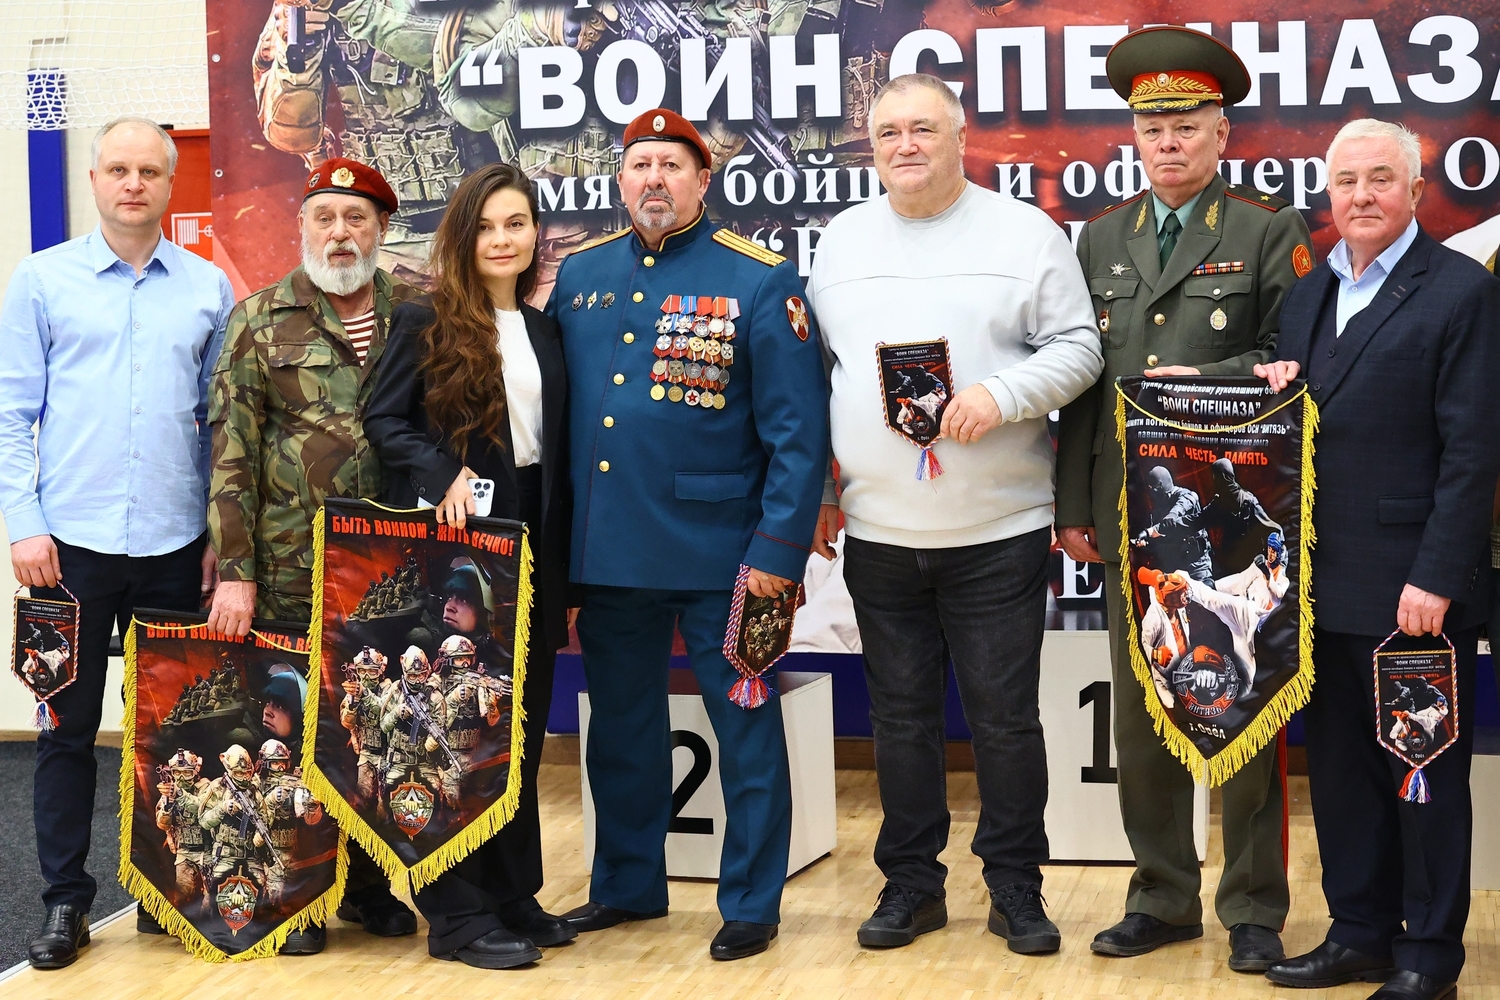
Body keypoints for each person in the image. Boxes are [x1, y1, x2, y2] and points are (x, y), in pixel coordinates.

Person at [803, 73, 1101, 954]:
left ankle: (1015, 887)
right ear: (871, 145)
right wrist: (826, 491)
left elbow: (1081, 348)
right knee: (899, 722)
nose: (905, 145)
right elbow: (822, 378)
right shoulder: (841, 242)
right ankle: (911, 885)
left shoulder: (1025, 233)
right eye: (888, 131)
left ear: (961, 138)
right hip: (879, 534)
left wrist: (1003, 395)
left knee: (1005, 723)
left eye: (923, 129)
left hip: (998, 532)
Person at [1053, 25, 1316, 971]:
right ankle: (1161, 896)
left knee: (1242, 693)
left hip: (1234, 508)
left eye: (1186, 126)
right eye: (1151, 127)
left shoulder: (1265, 230)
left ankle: (1252, 906)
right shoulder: (1101, 237)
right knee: (1143, 705)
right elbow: (1084, 383)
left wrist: (1195, 380)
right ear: (1134, 135)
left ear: (1221, 133)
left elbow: (1295, 358)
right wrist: (1073, 505)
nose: (1167, 143)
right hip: (1130, 508)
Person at [545, 108, 828, 962]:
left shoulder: (759, 279)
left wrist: (777, 555)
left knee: (745, 733)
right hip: (609, 556)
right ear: (619, 181)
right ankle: (626, 885)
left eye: (672, 165)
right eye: (640, 166)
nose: (654, 180)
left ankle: (751, 901)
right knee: (620, 732)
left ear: (705, 180)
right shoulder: (581, 276)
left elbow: (797, 436)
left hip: (727, 558)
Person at [1256, 119, 1500, 1000]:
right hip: (1318, 589)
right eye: (1346, 181)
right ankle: (1359, 932)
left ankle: (1430, 955)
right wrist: (1273, 390)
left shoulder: (1462, 293)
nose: (1360, 196)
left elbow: (1474, 452)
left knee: (1421, 775)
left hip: (1412, 591)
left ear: (1416, 191)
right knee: (1344, 777)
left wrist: (1436, 575)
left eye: (1380, 180)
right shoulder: (1307, 293)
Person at [0, 117, 234, 969]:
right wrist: (24, 523)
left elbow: (222, 429)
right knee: (65, 731)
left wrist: (218, 534)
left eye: (149, 171)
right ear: (94, 180)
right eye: (118, 169)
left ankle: (168, 891)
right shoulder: (41, 281)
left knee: (175, 731)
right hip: (65, 550)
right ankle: (65, 901)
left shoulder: (209, 288)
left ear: (170, 185)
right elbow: (10, 414)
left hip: (176, 546)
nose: (133, 184)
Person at [205, 157, 420, 954]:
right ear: (301, 227)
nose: (340, 234)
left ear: (382, 229)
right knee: (291, 730)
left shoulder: (418, 311)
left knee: (370, 724)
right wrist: (235, 574)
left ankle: (365, 887)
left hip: (389, 567)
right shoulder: (259, 320)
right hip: (291, 569)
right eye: (324, 217)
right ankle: (298, 899)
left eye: (356, 218)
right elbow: (231, 453)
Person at [364, 161, 574, 970]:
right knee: (453, 731)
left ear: (535, 235)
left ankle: (513, 894)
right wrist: (440, 472)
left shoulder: (545, 330)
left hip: (532, 541)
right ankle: (455, 914)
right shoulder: (424, 319)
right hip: (456, 549)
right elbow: (383, 419)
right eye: (485, 226)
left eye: (515, 224)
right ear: (462, 236)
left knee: (517, 730)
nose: (501, 239)